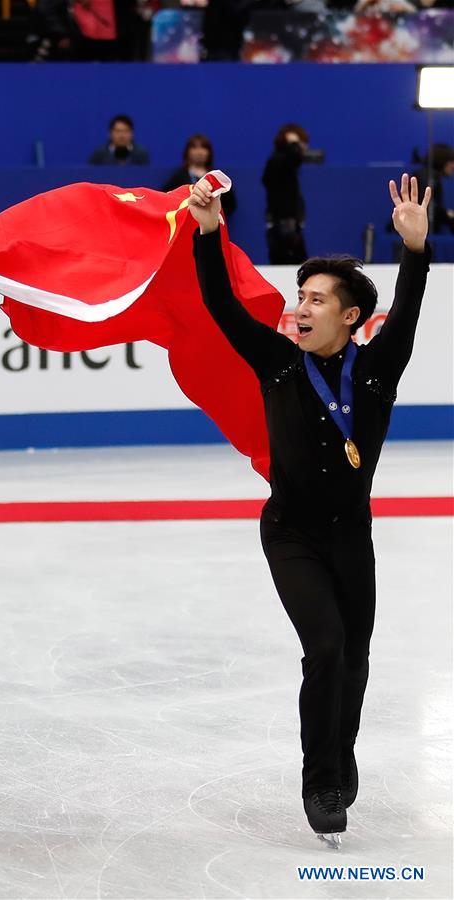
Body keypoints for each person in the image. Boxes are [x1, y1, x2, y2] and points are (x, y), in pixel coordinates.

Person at [187, 173, 431, 846]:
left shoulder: (376, 370)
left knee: (355, 658)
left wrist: (415, 248)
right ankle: (320, 781)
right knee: (325, 647)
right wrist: (209, 230)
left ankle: (339, 754)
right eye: (300, 296)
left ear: (350, 317)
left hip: (351, 536)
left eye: (316, 299)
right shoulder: (277, 363)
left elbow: (408, 312)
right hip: (290, 532)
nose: (300, 307)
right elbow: (220, 305)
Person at [262, 123, 311, 264]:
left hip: (290, 227)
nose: (304, 147)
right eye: (301, 143)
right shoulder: (278, 162)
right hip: (283, 229)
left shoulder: (285, 168)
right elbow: (294, 157)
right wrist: (294, 143)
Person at [162, 133, 237, 219]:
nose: (199, 152)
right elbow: (165, 198)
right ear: (187, 152)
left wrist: (215, 216)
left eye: (203, 147)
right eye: (194, 147)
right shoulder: (178, 177)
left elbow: (231, 204)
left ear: (209, 152)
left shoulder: (217, 177)